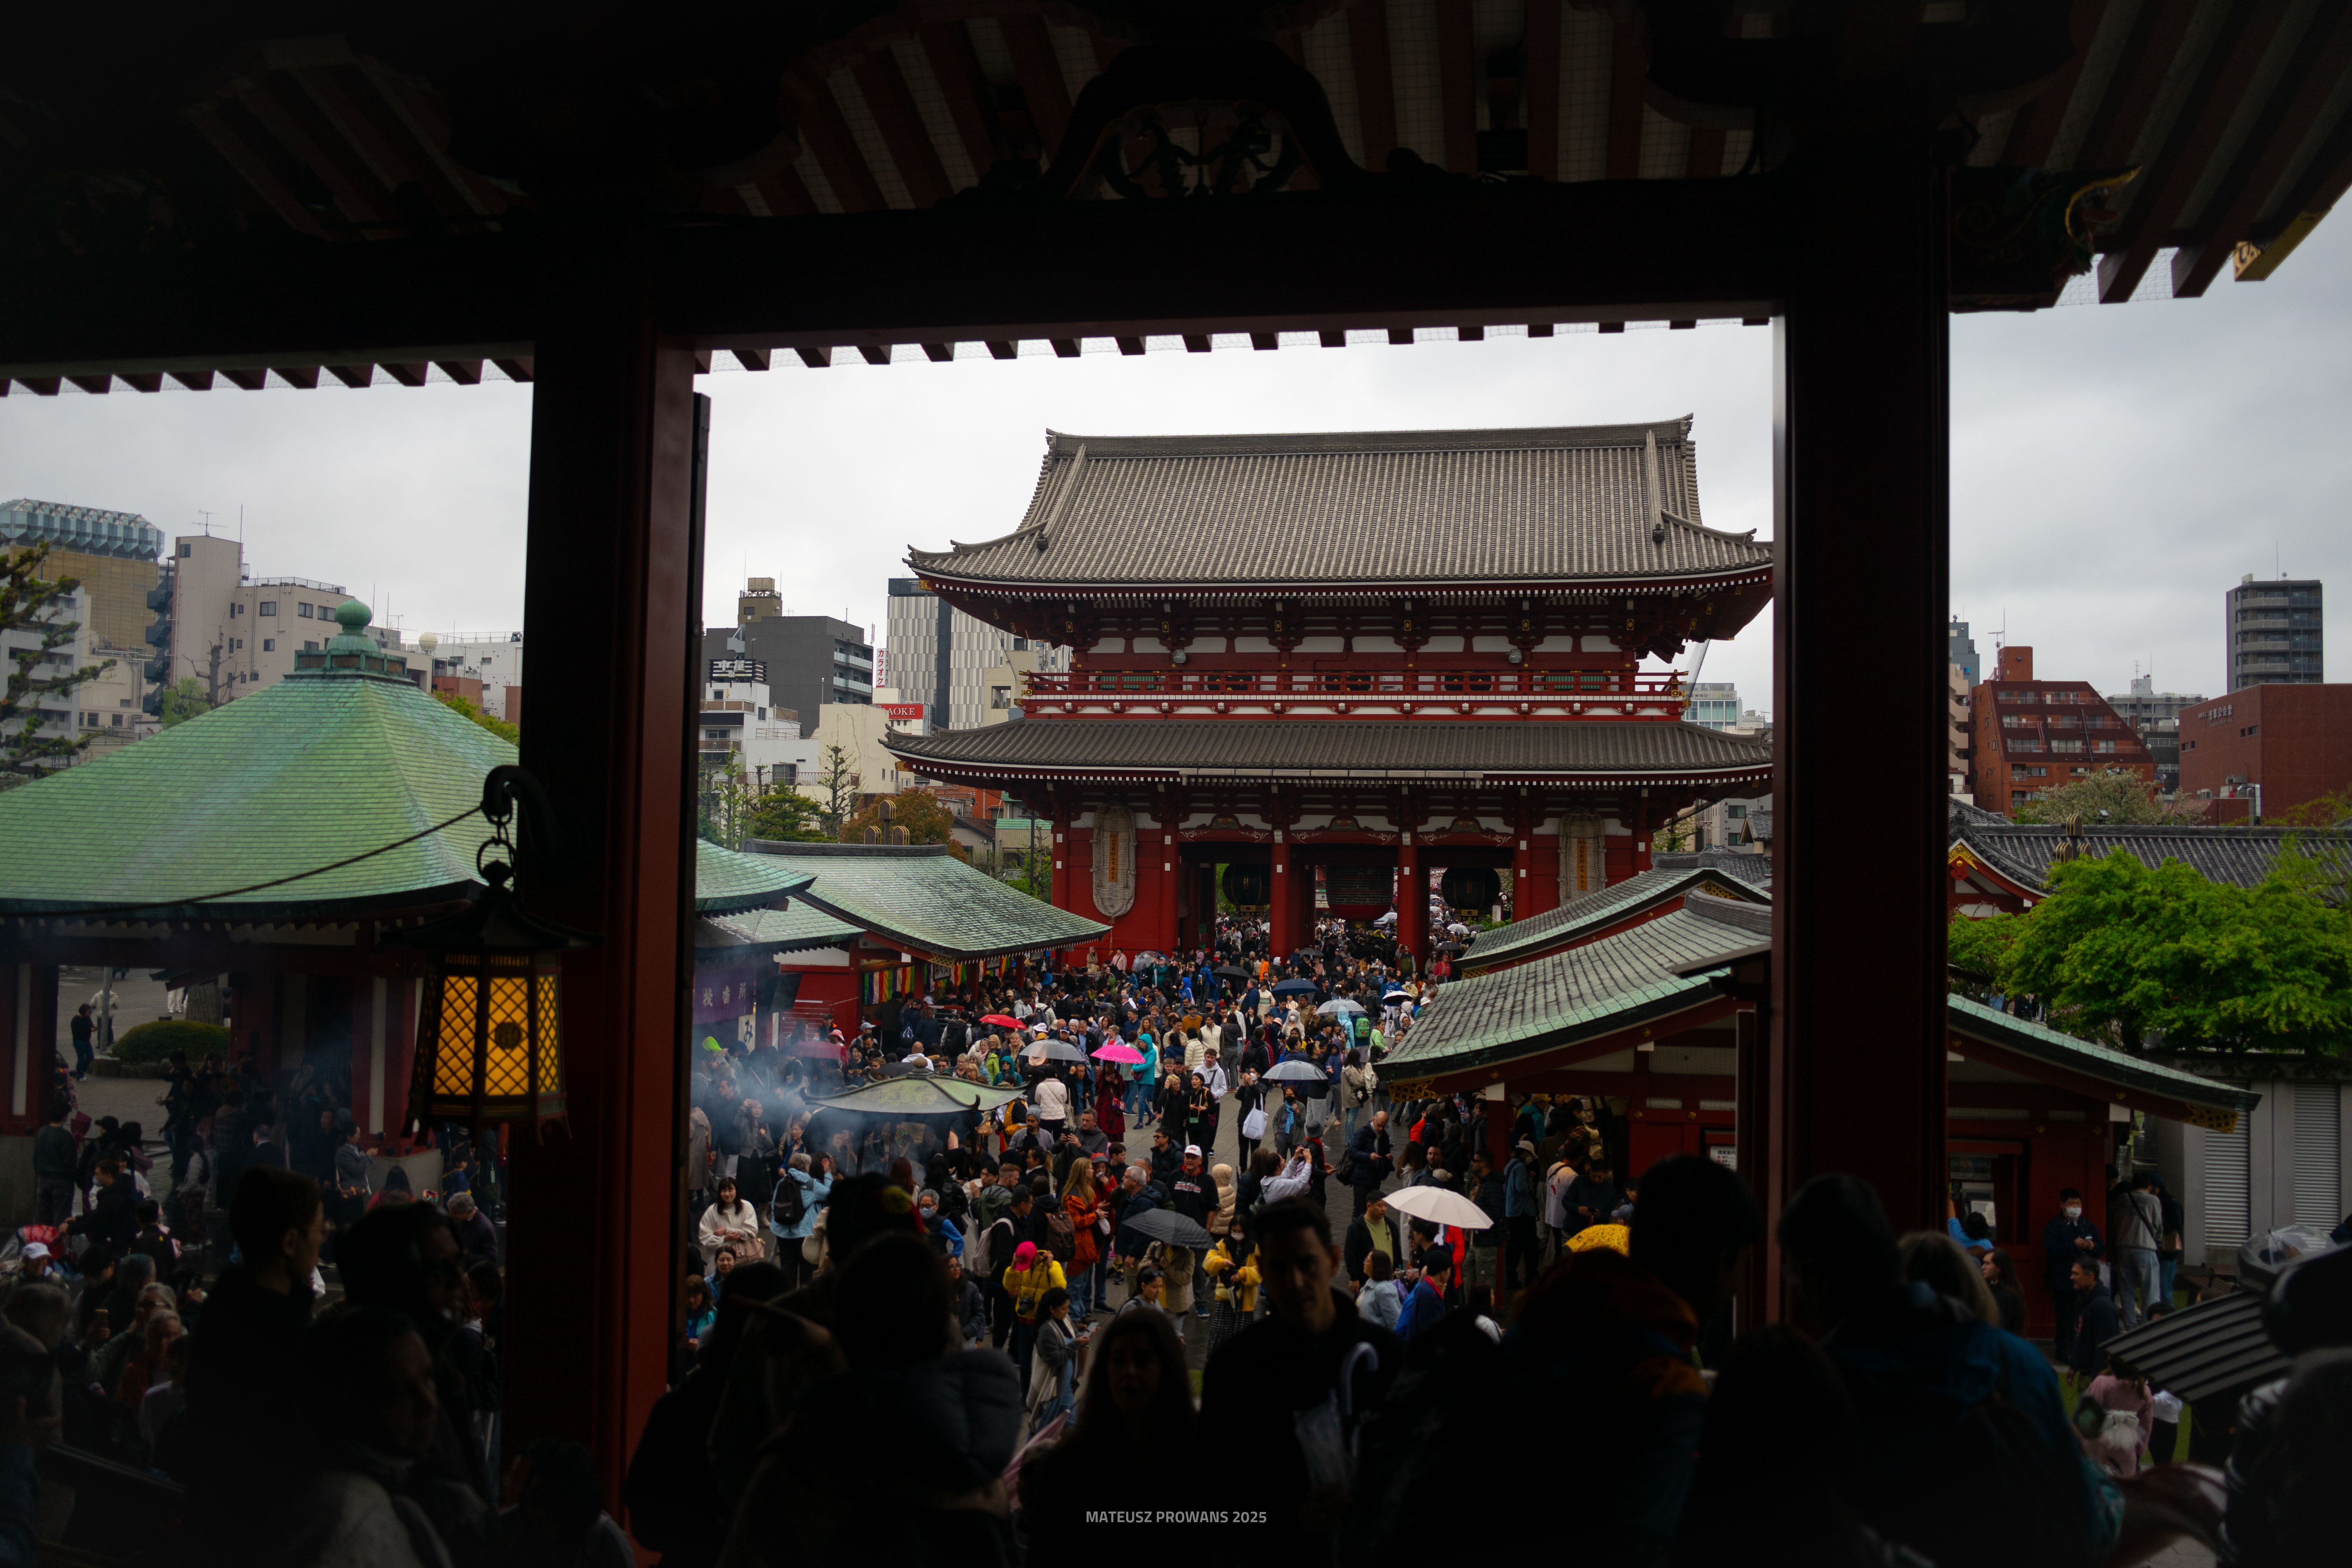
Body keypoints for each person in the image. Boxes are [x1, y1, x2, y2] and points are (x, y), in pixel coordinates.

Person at [1779, 1173, 2118, 1568]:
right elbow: (2084, 1526)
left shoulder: (1820, 1383)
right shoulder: (2017, 1363)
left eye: (1794, 1276)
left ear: (1817, 1277)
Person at [1198, 1197, 1401, 1550]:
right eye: (1279, 1267)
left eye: (1307, 1264)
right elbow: (1216, 1501)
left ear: (1333, 1261)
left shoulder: (1387, 1358)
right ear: (1261, 1268)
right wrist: (1286, 1519)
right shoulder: (1234, 1371)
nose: (1295, 1282)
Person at [1018, 1308, 1198, 1561]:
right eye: (1118, 1361)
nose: (1130, 1372)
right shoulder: (1068, 1467)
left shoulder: (1197, 1460)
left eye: (1143, 1360)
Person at [2041, 1186, 2102, 1359]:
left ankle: (2081, 1349)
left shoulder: (2087, 1225)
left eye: (2078, 1203)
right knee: (2065, 1316)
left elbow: (2101, 1247)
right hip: (2063, 1280)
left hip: (2086, 1281)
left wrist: (2092, 1246)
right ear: (2062, 1205)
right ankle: (2064, 1350)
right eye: (2071, 1203)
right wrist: (2072, 1246)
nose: (2075, 1206)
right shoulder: (2054, 1226)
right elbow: (2052, 1250)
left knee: (2083, 1317)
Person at [1024, 1286, 1082, 1436]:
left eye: (1068, 1308)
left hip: (1065, 1382)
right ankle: (1030, 1455)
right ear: (1052, 1309)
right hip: (1053, 1387)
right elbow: (1055, 1359)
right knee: (1044, 1427)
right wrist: (1076, 1345)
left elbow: (1074, 1334)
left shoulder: (1065, 1319)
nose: (1067, 1312)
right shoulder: (1046, 1331)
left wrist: (1083, 1336)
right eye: (1064, 1309)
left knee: (1066, 1422)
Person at [2114, 1170, 2163, 1330]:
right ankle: (2148, 1326)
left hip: (2124, 1247)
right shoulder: (2153, 1200)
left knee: (2126, 1289)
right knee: (2150, 1288)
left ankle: (2130, 1325)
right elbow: (2158, 1226)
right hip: (2145, 1247)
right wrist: (2159, 1241)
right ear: (2149, 1186)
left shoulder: (2122, 1199)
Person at [2069, 1255, 2121, 1387]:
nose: (2072, 1278)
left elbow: (2105, 1347)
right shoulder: (2083, 1300)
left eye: (2076, 1274)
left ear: (2090, 1277)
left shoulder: (2102, 1307)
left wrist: (2098, 1379)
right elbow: (2080, 1336)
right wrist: (2075, 1365)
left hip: (2095, 1377)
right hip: (2085, 1372)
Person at [697, 1177, 761, 1271]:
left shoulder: (747, 1207)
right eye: (724, 1191)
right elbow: (704, 1237)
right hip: (718, 1261)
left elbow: (751, 1232)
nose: (727, 1194)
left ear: (736, 1191)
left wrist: (727, 1231)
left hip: (744, 1259)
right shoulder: (712, 1211)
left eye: (731, 1190)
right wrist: (724, 1239)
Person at [1347, 1109, 1392, 1219]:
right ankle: (1356, 1234)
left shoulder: (1384, 1136)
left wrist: (1388, 1159)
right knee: (1359, 1210)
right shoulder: (1363, 1133)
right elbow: (1352, 1152)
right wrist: (1369, 1157)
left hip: (1375, 1179)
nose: (1380, 1129)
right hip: (1361, 1179)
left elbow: (1385, 1153)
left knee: (1373, 1210)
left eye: (1383, 1126)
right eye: (1379, 1125)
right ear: (1374, 1120)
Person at [1396, 1250, 1450, 1339]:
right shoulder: (1427, 1293)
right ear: (1442, 1272)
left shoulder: (1426, 1289)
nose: (1450, 1274)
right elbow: (1426, 1329)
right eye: (1449, 1270)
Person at [1981, 1248, 2028, 1337]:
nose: (1983, 1267)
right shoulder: (1994, 1289)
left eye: (1988, 1264)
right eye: (1984, 1263)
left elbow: (2001, 1326)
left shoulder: (2006, 1296)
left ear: (1999, 1268)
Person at [1356, 1252, 1403, 1333]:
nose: (1364, 1263)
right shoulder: (1370, 1282)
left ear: (1377, 1265)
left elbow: (1395, 1322)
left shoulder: (1384, 1290)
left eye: (1367, 1261)